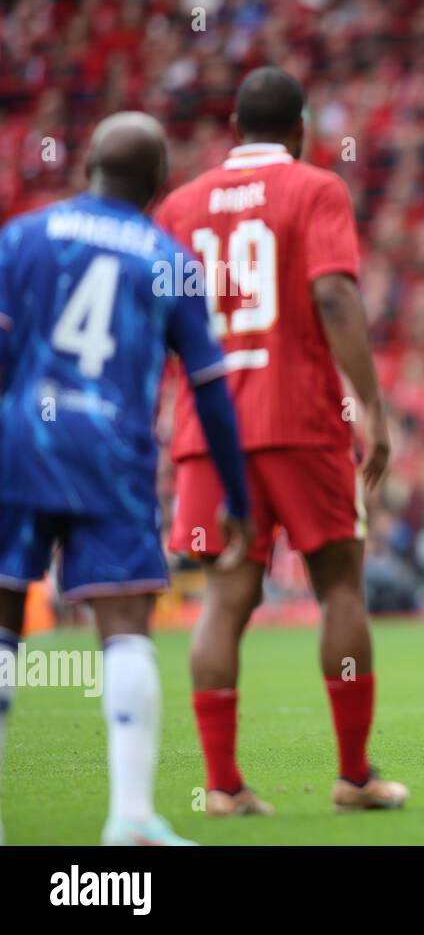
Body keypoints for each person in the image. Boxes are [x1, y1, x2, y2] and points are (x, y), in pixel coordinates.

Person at [155, 67, 406, 814]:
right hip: (297, 418)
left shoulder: (179, 205)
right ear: (300, 129)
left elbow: (161, 317)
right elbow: (333, 291)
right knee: (338, 587)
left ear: (233, 129)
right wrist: (370, 406)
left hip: (209, 425)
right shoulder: (315, 187)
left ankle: (225, 786)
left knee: (226, 598)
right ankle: (355, 776)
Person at [0, 112, 252, 845]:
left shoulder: (22, 236)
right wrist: (237, 498)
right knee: (125, 629)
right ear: (157, 185)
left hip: (21, 442)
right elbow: (209, 388)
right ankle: (132, 816)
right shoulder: (170, 260)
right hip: (111, 453)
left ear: (87, 169)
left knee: (4, 620)